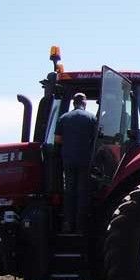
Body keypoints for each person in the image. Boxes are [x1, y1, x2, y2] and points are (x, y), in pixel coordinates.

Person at [55, 92, 97, 233]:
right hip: (85, 160)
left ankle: (67, 223)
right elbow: (97, 140)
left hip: (68, 159)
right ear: (84, 103)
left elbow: (57, 140)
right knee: (82, 191)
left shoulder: (63, 118)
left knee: (69, 191)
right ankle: (81, 224)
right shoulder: (91, 118)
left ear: (73, 102)